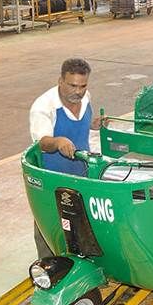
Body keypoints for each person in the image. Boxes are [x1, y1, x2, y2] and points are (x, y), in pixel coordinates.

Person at [29, 58, 105, 257]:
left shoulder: (85, 98)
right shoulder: (44, 107)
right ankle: (49, 265)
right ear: (60, 81)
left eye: (83, 86)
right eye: (72, 85)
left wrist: (93, 124)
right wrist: (58, 141)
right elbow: (41, 143)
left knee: (81, 224)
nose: (78, 91)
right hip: (52, 179)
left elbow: (79, 123)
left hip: (81, 173)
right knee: (49, 225)